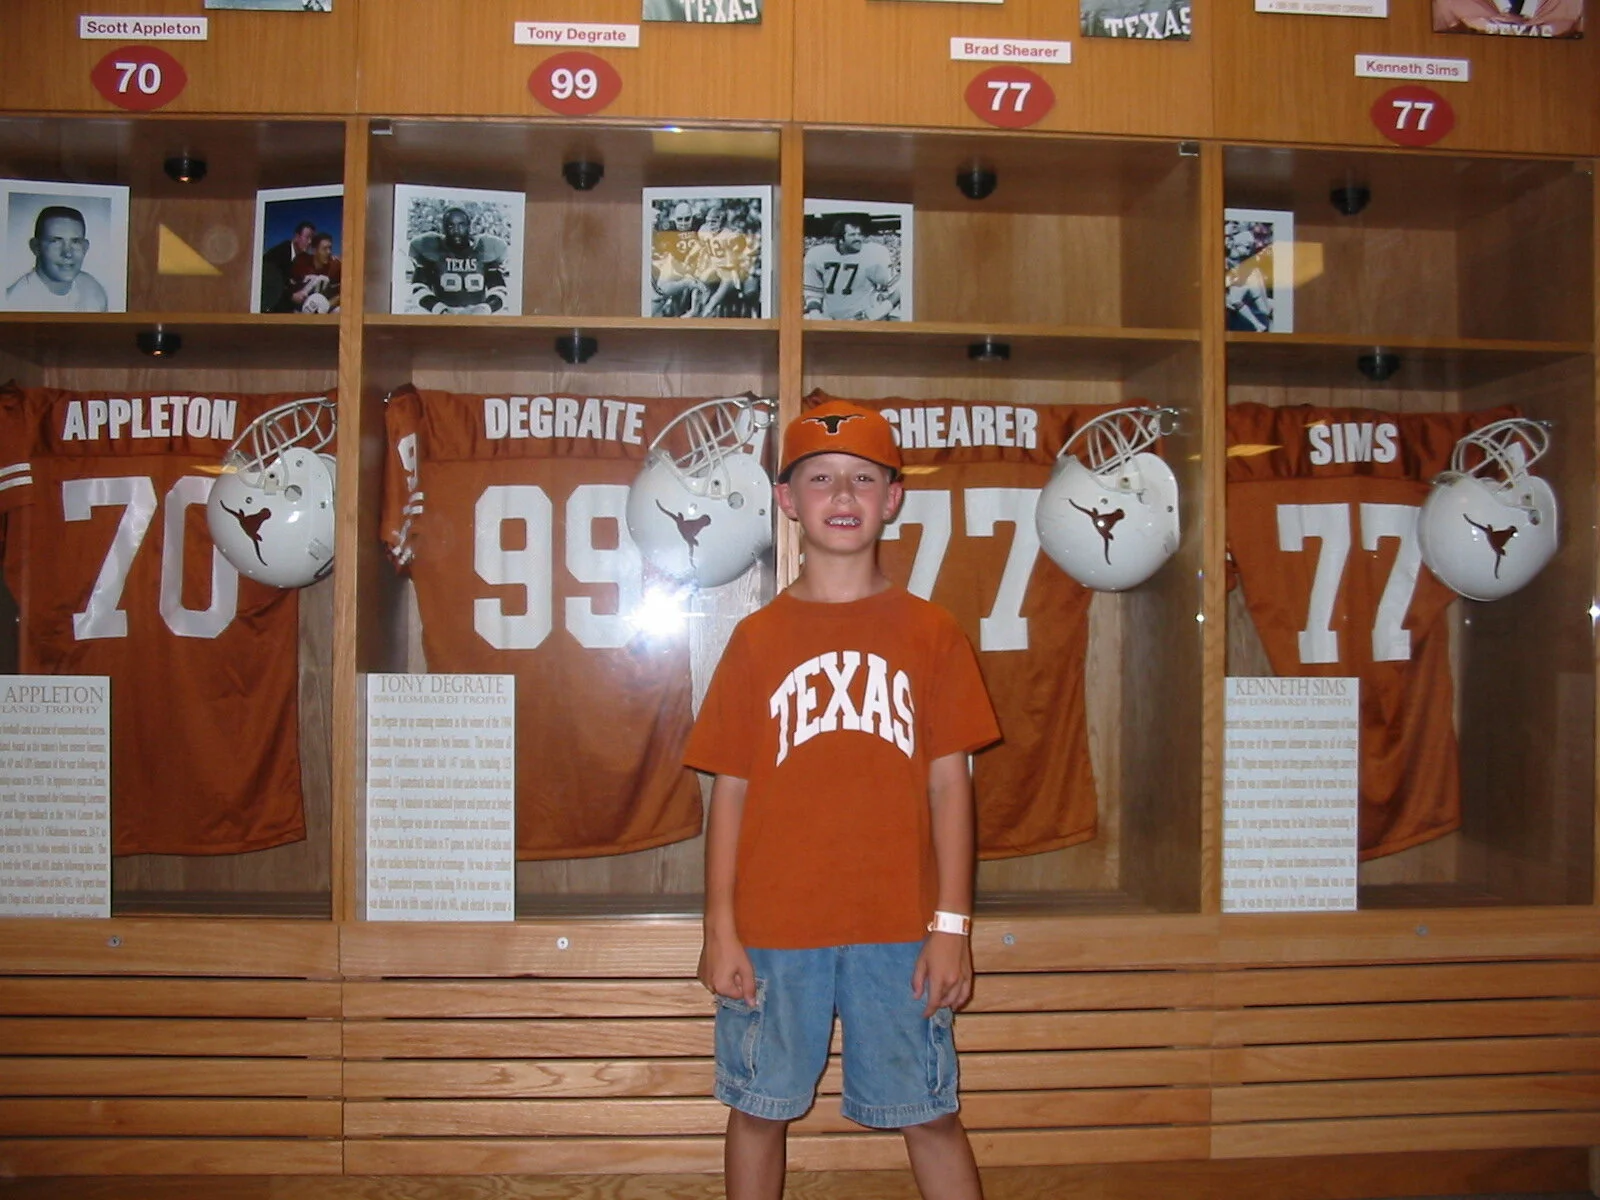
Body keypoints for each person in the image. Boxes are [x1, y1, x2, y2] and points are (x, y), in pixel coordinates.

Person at [685, 400, 1000, 1200]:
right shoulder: (756, 640)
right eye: (819, 479)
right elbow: (730, 793)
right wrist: (720, 928)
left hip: (901, 930)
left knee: (930, 1114)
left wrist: (953, 927)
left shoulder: (933, 634)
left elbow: (949, 788)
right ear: (787, 500)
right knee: (758, 1108)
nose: (843, 495)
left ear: (893, 497)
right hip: (772, 933)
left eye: (864, 478)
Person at [407, 205, 510, 315]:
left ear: (469, 226)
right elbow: (418, 288)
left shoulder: (485, 249)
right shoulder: (431, 249)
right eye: (451, 226)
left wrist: (485, 308)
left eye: (461, 225)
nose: (456, 230)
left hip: (478, 316)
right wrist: (439, 309)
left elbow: (499, 289)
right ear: (444, 228)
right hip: (441, 316)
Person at [5, 206, 109, 312]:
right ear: (36, 247)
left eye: (75, 241)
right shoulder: (13, 302)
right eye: (55, 241)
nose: (67, 253)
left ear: (85, 247)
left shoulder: (93, 291)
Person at [803, 216, 899, 321]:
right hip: (831, 321)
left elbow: (899, 289)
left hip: (862, 321)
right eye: (852, 235)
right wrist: (815, 314)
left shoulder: (873, 254)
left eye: (859, 234)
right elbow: (813, 293)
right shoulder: (818, 255)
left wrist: (877, 313)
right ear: (840, 239)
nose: (858, 238)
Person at [260, 219, 314, 314]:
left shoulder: (299, 257)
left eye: (312, 239)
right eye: (307, 237)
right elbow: (267, 282)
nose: (310, 242)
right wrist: (291, 296)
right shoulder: (279, 253)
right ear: (297, 237)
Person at [290, 230, 341, 313]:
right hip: (299, 309)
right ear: (314, 250)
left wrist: (326, 305)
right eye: (324, 249)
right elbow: (288, 289)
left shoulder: (335, 266)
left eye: (330, 248)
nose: (329, 252)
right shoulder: (300, 263)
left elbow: (343, 293)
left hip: (324, 310)